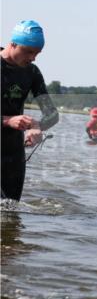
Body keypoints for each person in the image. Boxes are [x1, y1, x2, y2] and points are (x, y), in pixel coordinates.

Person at [1, 20, 59, 201]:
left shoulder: (31, 72)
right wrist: (7, 121)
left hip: (13, 156)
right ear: (13, 44)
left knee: (9, 210)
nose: (33, 58)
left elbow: (52, 114)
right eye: (28, 51)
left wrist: (37, 127)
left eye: (37, 53)